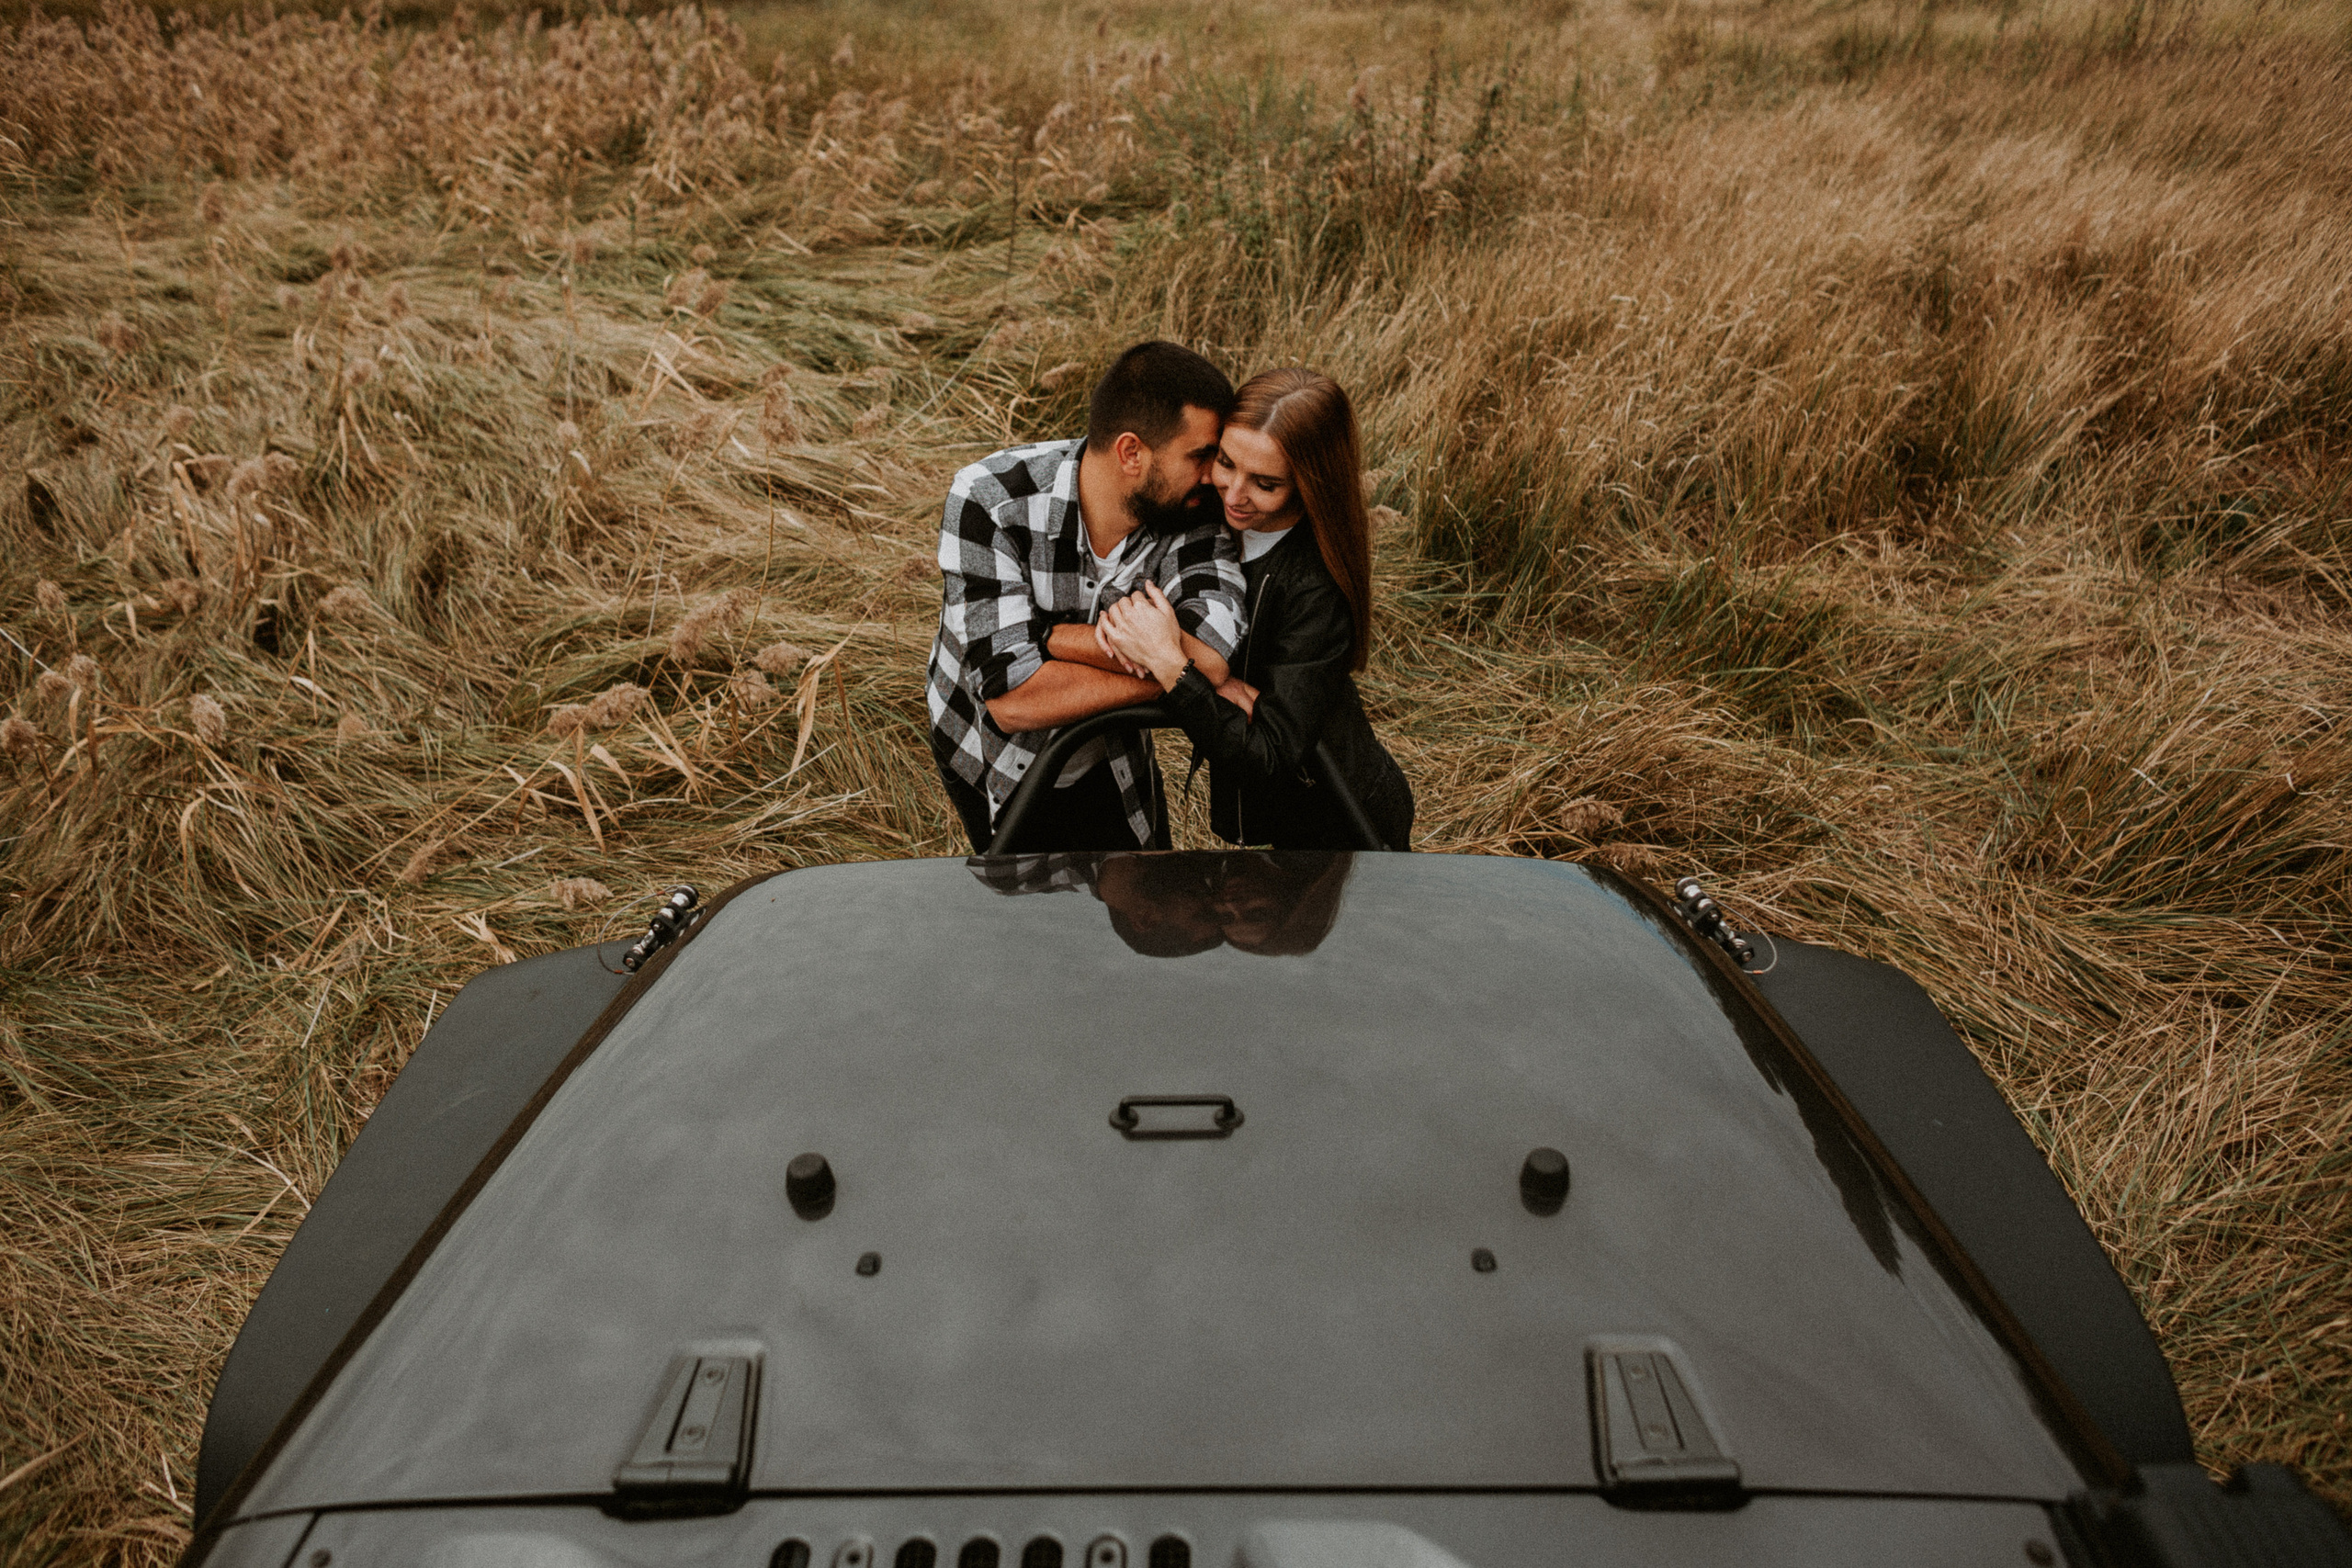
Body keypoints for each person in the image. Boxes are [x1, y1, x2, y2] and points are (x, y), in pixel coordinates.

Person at [928, 342, 1247, 853]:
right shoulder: (989, 500)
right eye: (1200, 455)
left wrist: (1053, 640)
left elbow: (1208, 655)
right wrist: (1175, 678)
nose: (1217, 477)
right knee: (1018, 894)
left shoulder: (1196, 514)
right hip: (983, 751)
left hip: (1114, 759)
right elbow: (1013, 701)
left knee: (1140, 893)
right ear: (1131, 453)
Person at [1100, 367, 1413, 851]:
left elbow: (1270, 752)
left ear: (1310, 484)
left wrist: (1173, 666)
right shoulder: (1199, 514)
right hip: (1271, 824)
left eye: (1265, 484)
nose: (1233, 493)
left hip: (1340, 824)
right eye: (1225, 462)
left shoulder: (1315, 589)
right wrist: (1216, 678)